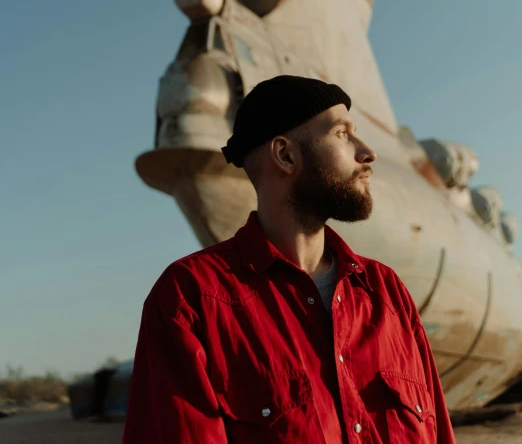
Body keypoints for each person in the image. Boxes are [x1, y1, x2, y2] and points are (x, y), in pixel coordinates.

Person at [122, 75, 455, 443]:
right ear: (285, 156)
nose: (368, 152)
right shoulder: (190, 298)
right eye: (342, 134)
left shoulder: (388, 294)